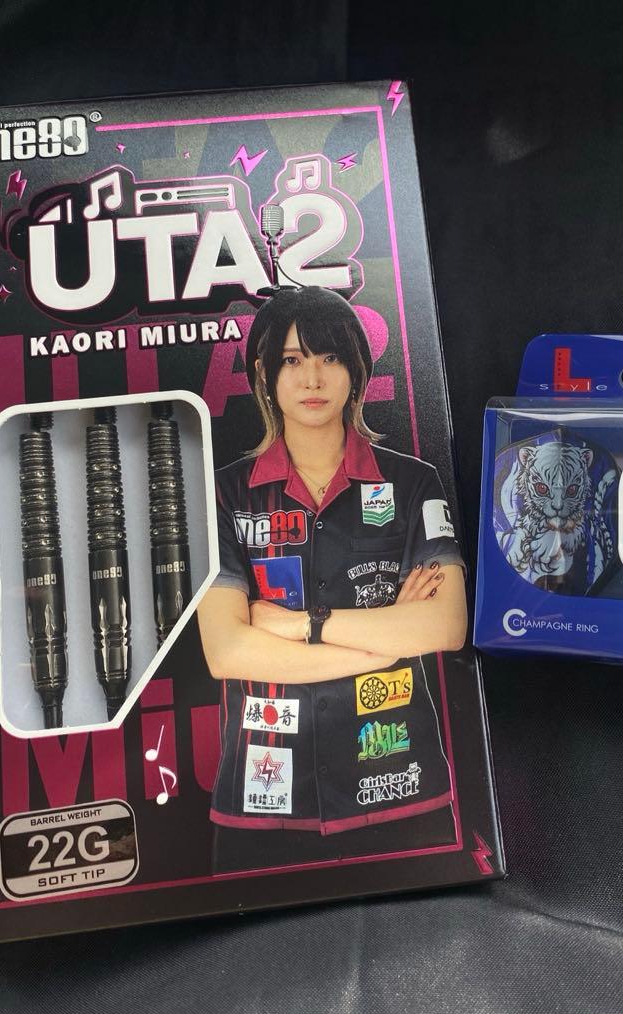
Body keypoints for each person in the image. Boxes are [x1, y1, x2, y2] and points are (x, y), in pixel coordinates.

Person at [197, 286, 467, 873]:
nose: (313, 378)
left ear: (357, 370)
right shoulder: (223, 494)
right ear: (264, 375)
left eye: (330, 357)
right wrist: (384, 645)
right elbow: (226, 652)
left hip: (400, 790)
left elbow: (445, 626)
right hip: (260, 805)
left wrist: (301, 625)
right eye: (292, 360)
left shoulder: (413, 484)